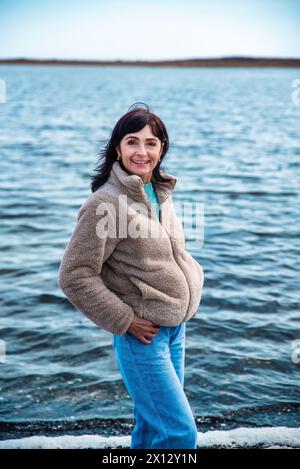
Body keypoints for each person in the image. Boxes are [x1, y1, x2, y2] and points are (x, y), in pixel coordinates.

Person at [57, 103, 204, 449]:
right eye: (132, 142)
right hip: (142, 338)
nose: (142, 151)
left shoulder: (160, 194)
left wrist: (193, 281)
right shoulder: (105, 204)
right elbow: (74, 275)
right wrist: (125, 320)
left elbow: (172, 254)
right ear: (117, 149)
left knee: (152, 429)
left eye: (151, 143)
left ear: (162, 148)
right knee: (180, 434)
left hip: (175, 331)